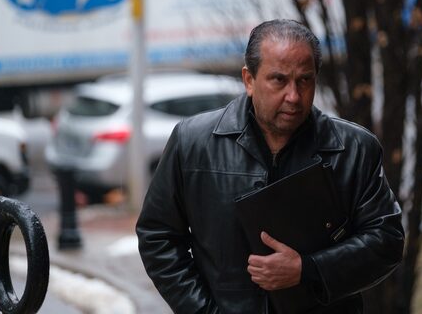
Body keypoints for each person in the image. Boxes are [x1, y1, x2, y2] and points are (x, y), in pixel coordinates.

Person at [136, 19, 405, 313]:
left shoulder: (355, 149)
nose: (294, 96)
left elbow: (386, 240)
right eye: (279, 80)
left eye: (305, 80)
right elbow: (157, 237)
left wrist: (308, 269)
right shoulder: (192, 142)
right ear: (249, 80)